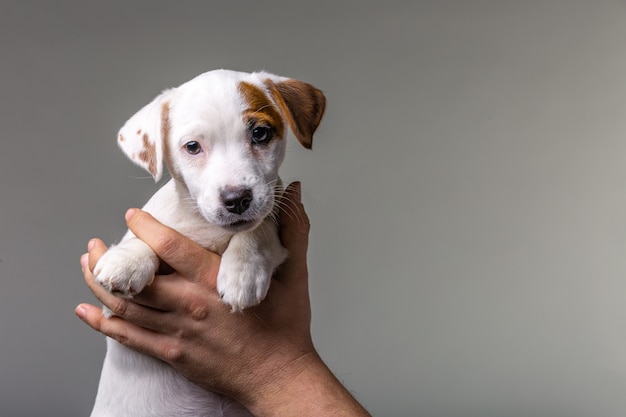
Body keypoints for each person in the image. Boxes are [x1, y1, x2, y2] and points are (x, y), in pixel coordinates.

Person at [75, 182, 371, 417]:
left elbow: (269, 238)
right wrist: (138, 253)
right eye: (193, 147)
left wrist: (279, 370)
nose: (234, 183)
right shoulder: (167, 208)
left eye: (259, 135)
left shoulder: (259, 215)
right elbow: (154, 242)